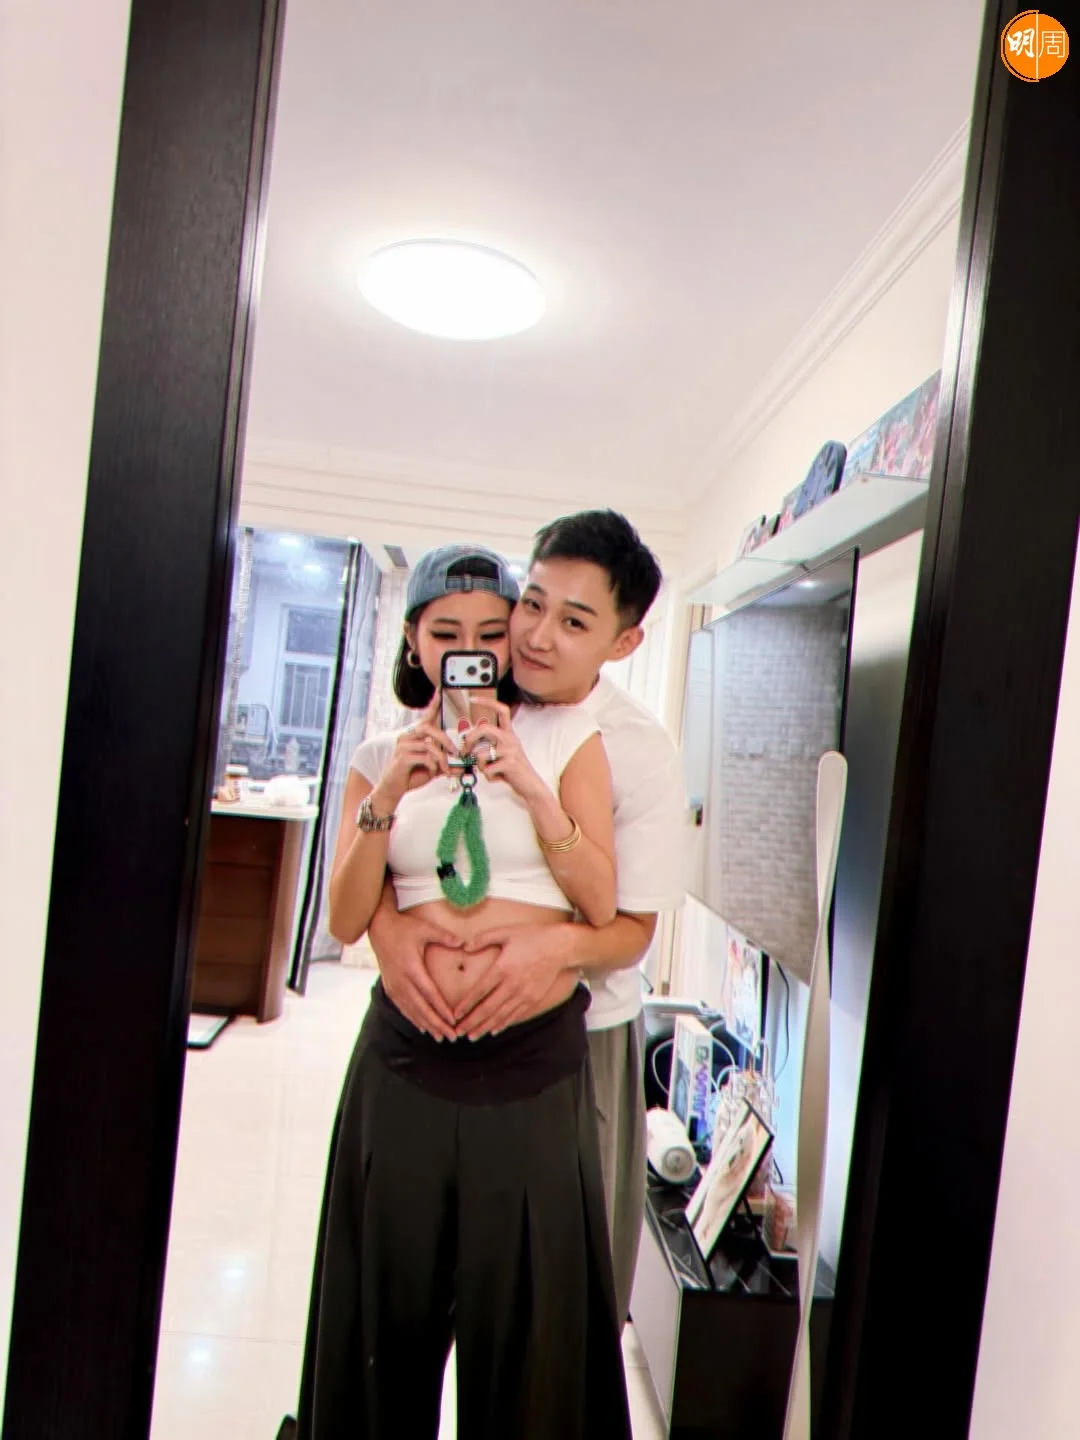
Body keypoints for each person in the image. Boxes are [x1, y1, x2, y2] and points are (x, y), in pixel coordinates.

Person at [293, 543, 632, 1440]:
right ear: (413, 642)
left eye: (491, 631)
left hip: (530, 1066)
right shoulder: (377, 755)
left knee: (529, 1333)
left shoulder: (567, 740)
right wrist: (388, 794)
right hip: (403, 1060)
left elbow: (603, 901)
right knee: (381, 1314)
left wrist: (526, 781)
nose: (470, 651)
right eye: (446, 633)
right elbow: (344, 917)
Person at [369, 511, 687, 1325]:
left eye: (575, 622)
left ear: (623, 642)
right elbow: (398, 849)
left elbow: (631, 931)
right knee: (406, 1285)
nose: (538, 636)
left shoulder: (636, 750)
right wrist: (388, 930)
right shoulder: (471, 705)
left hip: (577, 1039)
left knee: (552, 1307)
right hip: (429, 1041)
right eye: (533, 604)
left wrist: (546, 952)